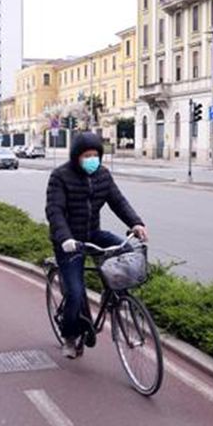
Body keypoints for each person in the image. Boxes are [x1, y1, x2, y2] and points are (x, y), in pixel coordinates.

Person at [46, 132, 148, 359]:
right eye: (87, 155)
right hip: (69, 242)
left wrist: (136, 223)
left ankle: (111, 292)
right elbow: (55, 212)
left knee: (126, 250)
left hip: (93, 234)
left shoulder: (102, 174)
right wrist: (65, 239)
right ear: (76, 156)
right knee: (75, 293)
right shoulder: (60, 176)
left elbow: (118, 201)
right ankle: (69, 336)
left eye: (95, 155)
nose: (92, 159)